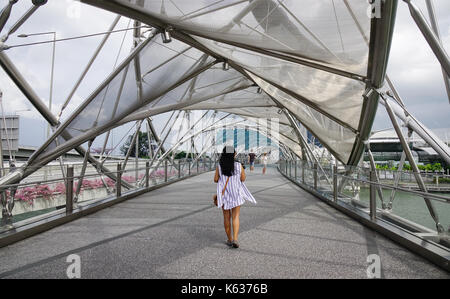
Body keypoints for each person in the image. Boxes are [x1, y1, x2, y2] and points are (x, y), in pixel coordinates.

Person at [214, 146, 256, 248]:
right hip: (236, 194)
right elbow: (243, 178)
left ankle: (229, 239)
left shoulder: (219, 166)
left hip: (224, 196)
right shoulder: (238, 165)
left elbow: (215, 179)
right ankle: (236, 239)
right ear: (233, 154)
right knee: (235, 217)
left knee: (226, 218)